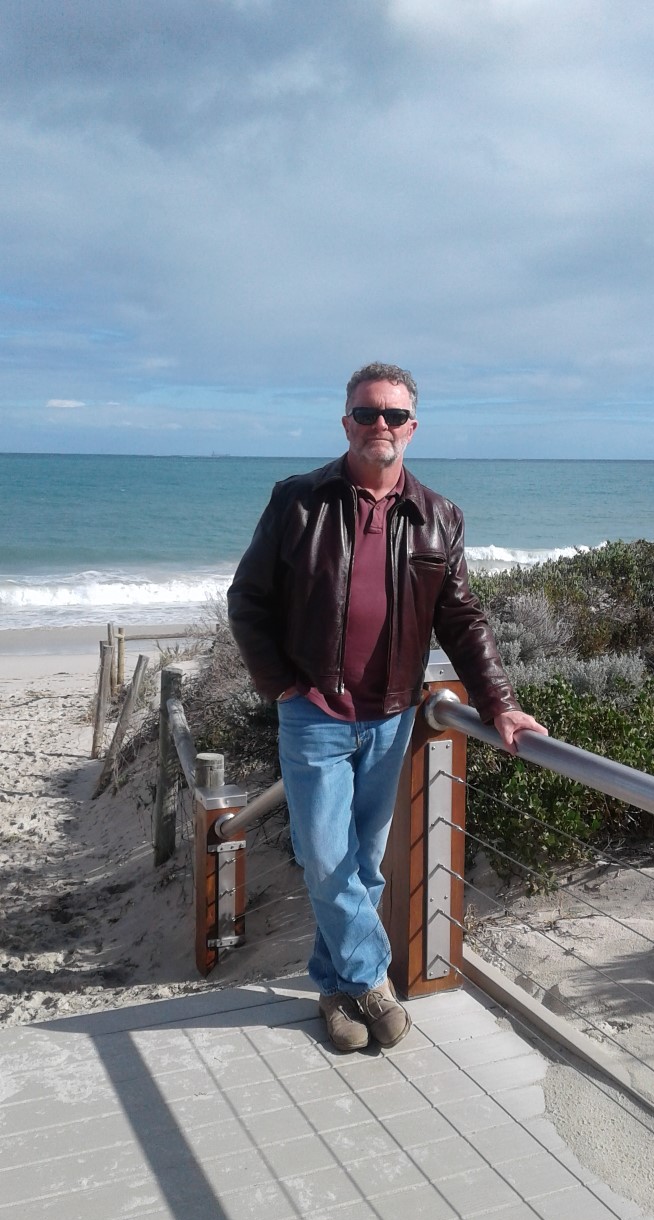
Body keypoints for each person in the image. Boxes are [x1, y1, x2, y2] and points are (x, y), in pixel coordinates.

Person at [227, 362, 547, 1052]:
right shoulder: (298, 501)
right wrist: (281, 684)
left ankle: (335, 991)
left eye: (394, 416)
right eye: (367, 414)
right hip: (313, 711)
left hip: (394, 714)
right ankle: (371, 977)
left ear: (413, 427)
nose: (381, 426)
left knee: (364, 863)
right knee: (322, 856)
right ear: (346, 423)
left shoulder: (439, 517)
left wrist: (499, 702)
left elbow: (462, 619)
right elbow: (247, 600)